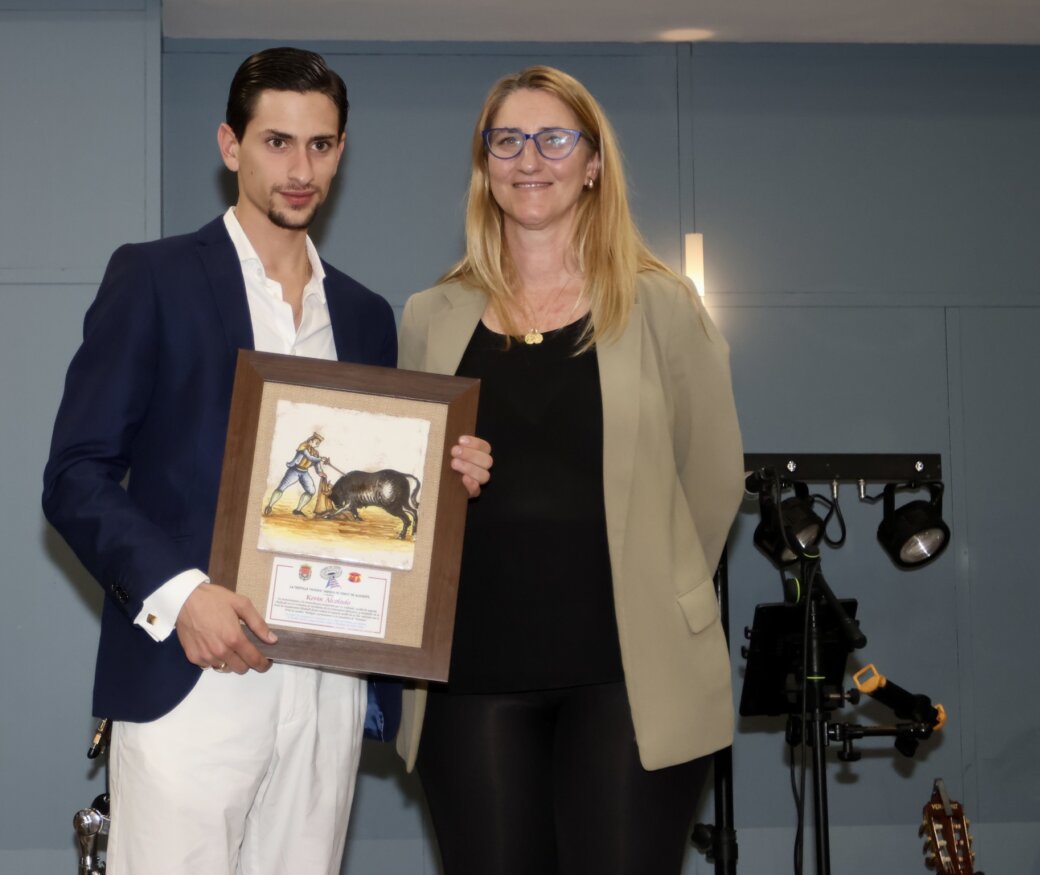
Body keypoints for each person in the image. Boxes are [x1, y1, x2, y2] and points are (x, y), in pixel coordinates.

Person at [42, 47, 490, 874]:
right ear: (230, 145)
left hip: (328, 683)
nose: (300, 169)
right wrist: (183, 598)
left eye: (320, 145)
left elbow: (375, 496)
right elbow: (75, 475)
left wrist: (448, 482)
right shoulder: (154, 277)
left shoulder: (365, 314)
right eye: (277, 142)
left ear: (341, 152)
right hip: (190, 670)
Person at [395, 65, 744, 875]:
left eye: (554, 139)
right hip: (469, 677)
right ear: (484, 164)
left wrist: (662, 583)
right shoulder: (429, 316)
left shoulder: (664, 306)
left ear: (593, 163)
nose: (529, 159)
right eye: (507, 140)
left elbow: (713, 477)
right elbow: (410, 485)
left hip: (631, 676)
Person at [264, 432, 328, 516]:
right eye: (316, 443)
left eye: (318, 443)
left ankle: (297, 510)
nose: (317, 445)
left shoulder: (316, 452)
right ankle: (269, 506)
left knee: (311, 491)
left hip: (304, 472)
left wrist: (320, 472)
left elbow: (317, 464)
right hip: (294, 470)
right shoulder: (303, 446)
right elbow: (309, 457)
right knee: (281, 488)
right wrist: (320, 459)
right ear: (311, 441)